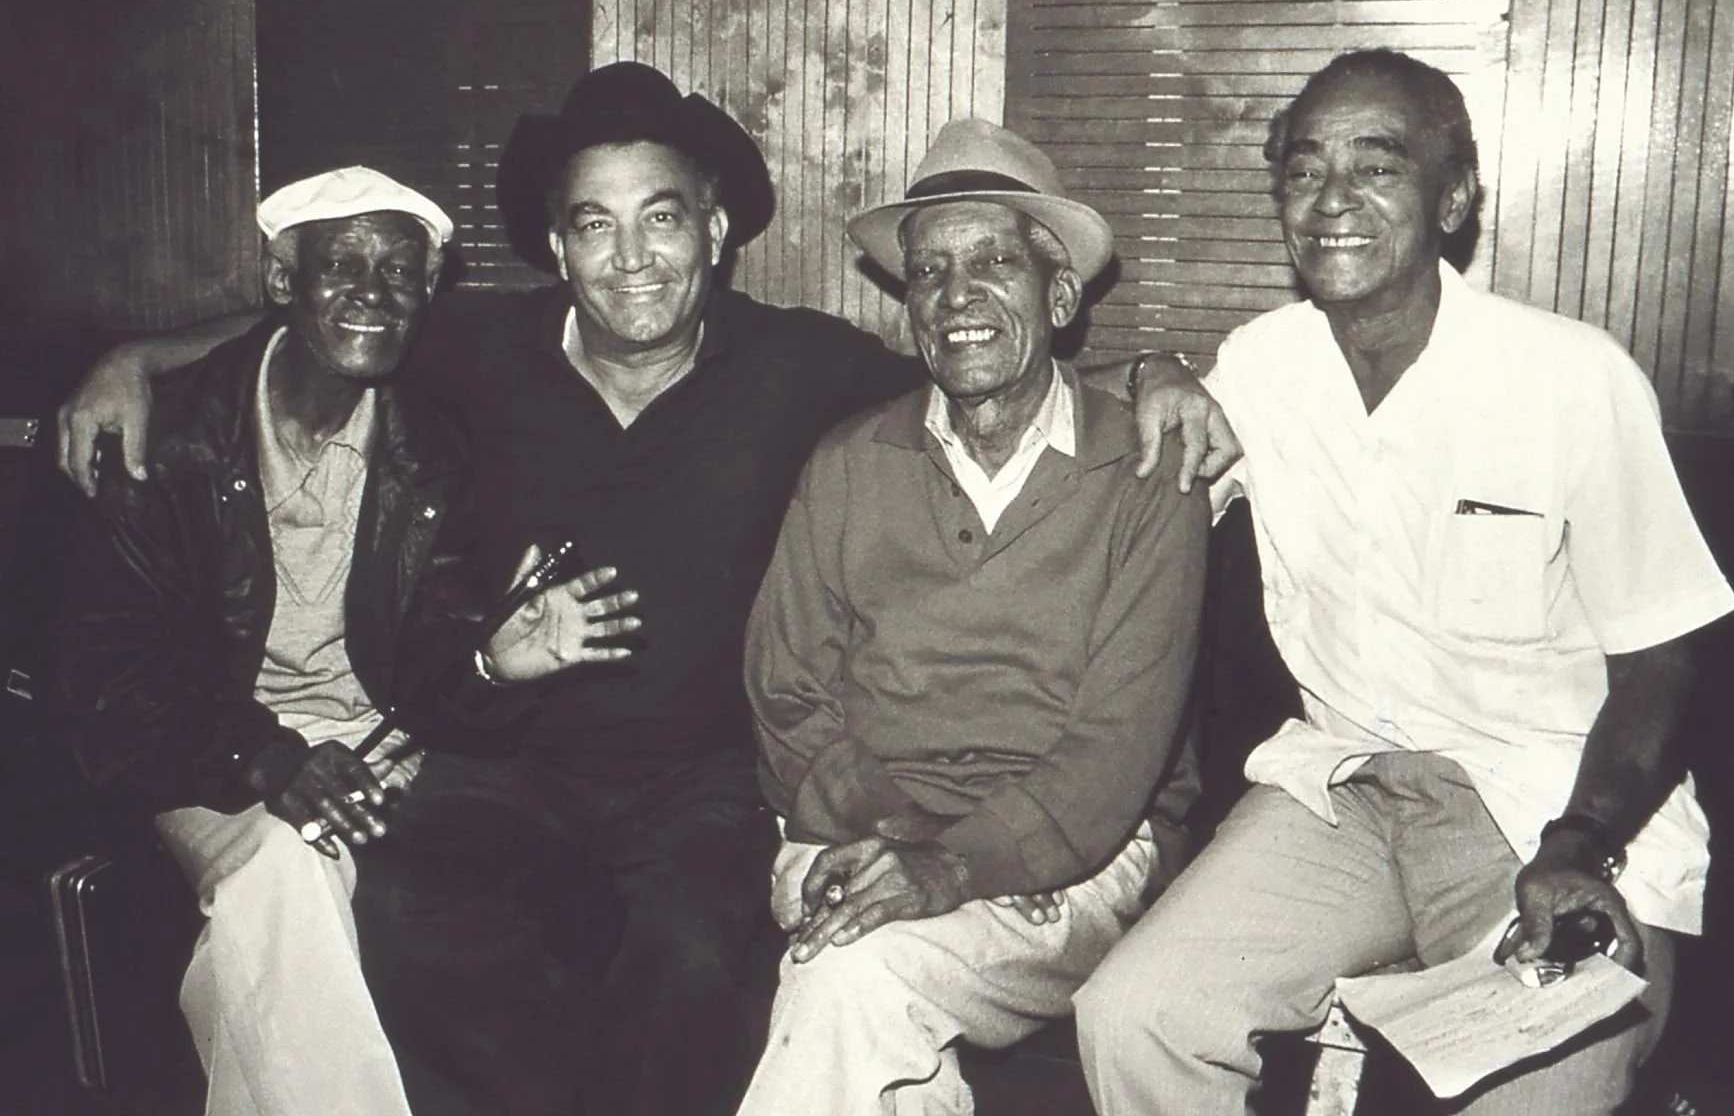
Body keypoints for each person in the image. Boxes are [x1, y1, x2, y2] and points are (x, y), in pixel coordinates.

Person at [53, 62, 1236, 1115]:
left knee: (693, 959)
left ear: (713, 231)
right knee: (410, 924)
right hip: (506, 764)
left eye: (661, 218)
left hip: (707, 783)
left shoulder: (800, 367)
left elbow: (980, 358)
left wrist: (1158, 370)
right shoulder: (480, 348)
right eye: (595, 225)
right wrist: (133, 359)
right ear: (557, 248)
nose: (631, 259)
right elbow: (325, 320)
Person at [1073, 49, 1734, 1115]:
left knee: (1544, 1088)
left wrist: (1580, 844)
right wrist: (1155, 367)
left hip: (1547, 809)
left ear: (1453, 200)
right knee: (1137, 1016)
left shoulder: (1572, 378)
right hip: (1343, 790)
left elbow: (1662, 657)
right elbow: (1075, 408)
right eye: (1304, 171)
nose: (1331, 199)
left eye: (1376, 167)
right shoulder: (1266, 365)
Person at [54, 167, 640, 1116]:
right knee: (285, 868)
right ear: (282, 281)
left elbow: (432, 670)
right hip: (202, 749)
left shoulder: (435, 449)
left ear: (428, 293)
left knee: (285, 929)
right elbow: (114, 681)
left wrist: (494, 662)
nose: (374, 293)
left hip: (379, 750)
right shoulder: (163, 442)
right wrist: (268, 758)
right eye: (343, 266)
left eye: (401, 273)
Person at [737, 120, 1209, 1115]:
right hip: (856, 824)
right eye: (929, 272)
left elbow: (1118, 746)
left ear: (1059, 296)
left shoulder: (1145, 472)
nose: (956, 296)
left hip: (1075, 850)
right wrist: (919, 843)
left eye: (993, 261)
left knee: (848, 977)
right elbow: (785, 692)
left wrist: (971, 857)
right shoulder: (850, 462)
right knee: (860, 992)